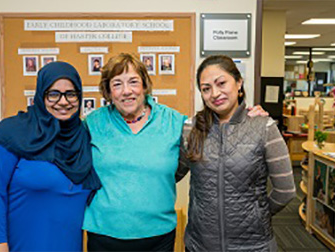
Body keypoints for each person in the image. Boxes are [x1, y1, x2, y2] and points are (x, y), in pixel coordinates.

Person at [82, 53, 267, 251]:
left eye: (133, 82)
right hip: (104, 234)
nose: (126, 91)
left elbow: (214, 131)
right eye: (117, 84)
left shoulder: (175, 122)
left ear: (145, 86)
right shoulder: (93, 123)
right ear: (108, 92)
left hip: (158, 236)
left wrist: (248, 119)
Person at [0, 61, 102, 252]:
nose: (63, 102)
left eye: (71, 94)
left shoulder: (83, 138)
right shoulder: (11, 134)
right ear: (40, 96)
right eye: (53, 94)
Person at [176, 55, 296, 251]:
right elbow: (172, 173)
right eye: (206, 89)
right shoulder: (192, 128)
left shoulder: (263, 127)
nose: (215, 93)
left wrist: (257, 214)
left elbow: (286, 191)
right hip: (200, 244)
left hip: (253, 245)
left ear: (238, 83)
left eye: (221, 83)